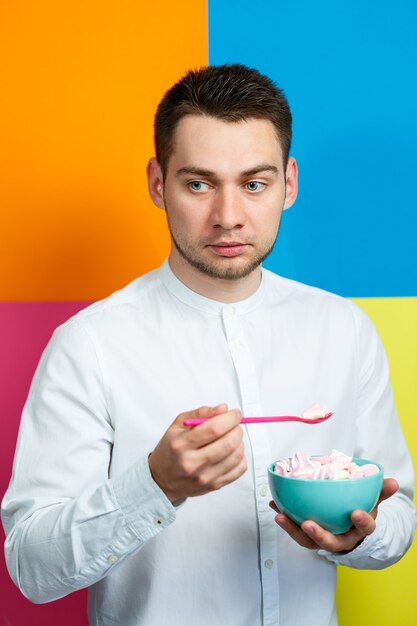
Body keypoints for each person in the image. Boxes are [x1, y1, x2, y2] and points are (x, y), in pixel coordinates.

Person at [2, 63, 415, 626]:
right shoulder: (88, 345)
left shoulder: (344, 330)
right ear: (157, 183)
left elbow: (398, 519)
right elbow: (32, 567)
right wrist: (155, 484)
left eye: (254, 183)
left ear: (288, 184)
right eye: (199, 183)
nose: (228, 217)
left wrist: (358, 538)